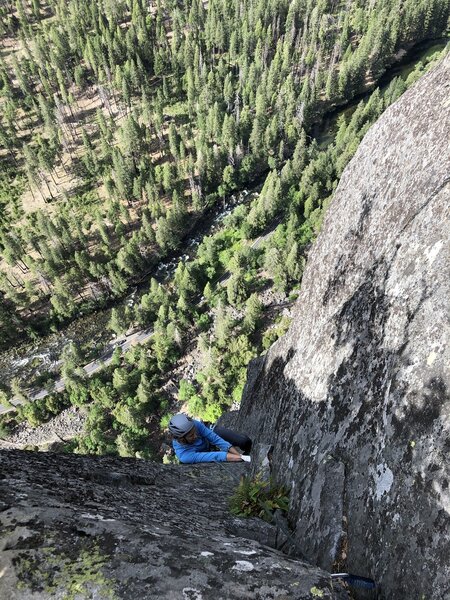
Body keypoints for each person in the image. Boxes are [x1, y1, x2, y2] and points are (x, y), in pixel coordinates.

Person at [168, 413, 252, 464]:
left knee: (244, 441)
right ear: (181, 439)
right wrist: (241, 458)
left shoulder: (192, 424)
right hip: (205, 452)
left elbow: (214, 438)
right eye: (191, 435)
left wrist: (239, 455)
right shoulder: (184, 455)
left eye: (195, 432)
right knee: (238, 459)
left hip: (209, 434)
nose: (195, 436)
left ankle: (248, 450)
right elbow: (215, 456)